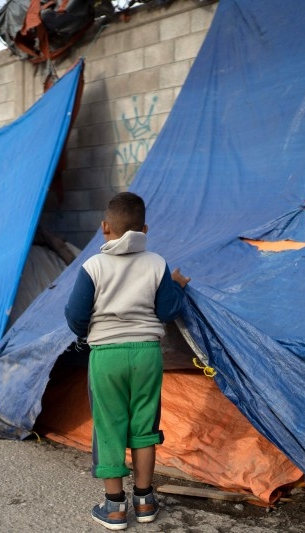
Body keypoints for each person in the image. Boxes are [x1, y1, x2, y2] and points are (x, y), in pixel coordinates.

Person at [65, 191, 190, 530]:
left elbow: (74, 315)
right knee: (144, 428)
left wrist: (87, 330)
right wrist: (176, 286)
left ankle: (115, 508)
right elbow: (167, 310)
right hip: (147, 353)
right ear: (144, 228)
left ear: (104, 227)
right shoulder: (157, 264)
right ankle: (146, 501)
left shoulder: (93, 266)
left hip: (107, 356)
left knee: (109, 427)